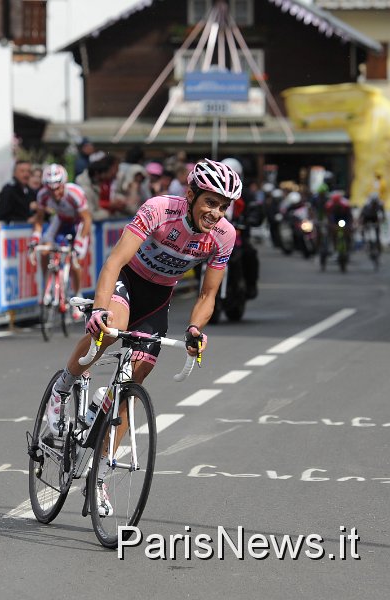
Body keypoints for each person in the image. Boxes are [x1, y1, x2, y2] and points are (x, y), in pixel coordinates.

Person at [46, 158, 241, 513]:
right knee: (106, 333)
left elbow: (207, 295)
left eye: (223, 206)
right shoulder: (159, 209)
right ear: (192, 193)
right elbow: (115, 261)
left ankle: (99, 475)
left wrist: (196, 329)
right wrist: (99, 309)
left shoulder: (224, 236)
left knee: (132, 389)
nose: (216, 212)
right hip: (128, 282)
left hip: (157, 298)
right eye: (211, 202)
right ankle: (65, 382)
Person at [31, 164, 92, 318]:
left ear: (64, 184)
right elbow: (39, 220)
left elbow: (87, 220)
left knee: (75, 261)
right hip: (60, 221)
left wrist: (79, 242)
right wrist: (35, 238)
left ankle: (77, 294)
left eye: (58, 188)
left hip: (78, 224)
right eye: (51, 190)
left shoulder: (75, 193)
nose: (55, 193)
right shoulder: (42, 195)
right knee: (44, 250)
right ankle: (45, 290)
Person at [221, 157, 259, 299]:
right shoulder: (212, 191)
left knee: (250, 254)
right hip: (214, 237)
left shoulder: (246, 194)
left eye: (232, 176)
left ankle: (250, 285)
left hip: (239, 237)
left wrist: (251, 219)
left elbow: (255, 209)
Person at [0, 160, 37, 224]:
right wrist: (25, 220)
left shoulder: (30, 191)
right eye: (22, 171)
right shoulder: (8, 190)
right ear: (15, 173)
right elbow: (3, 216)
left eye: (28, 171)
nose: (26, 174)